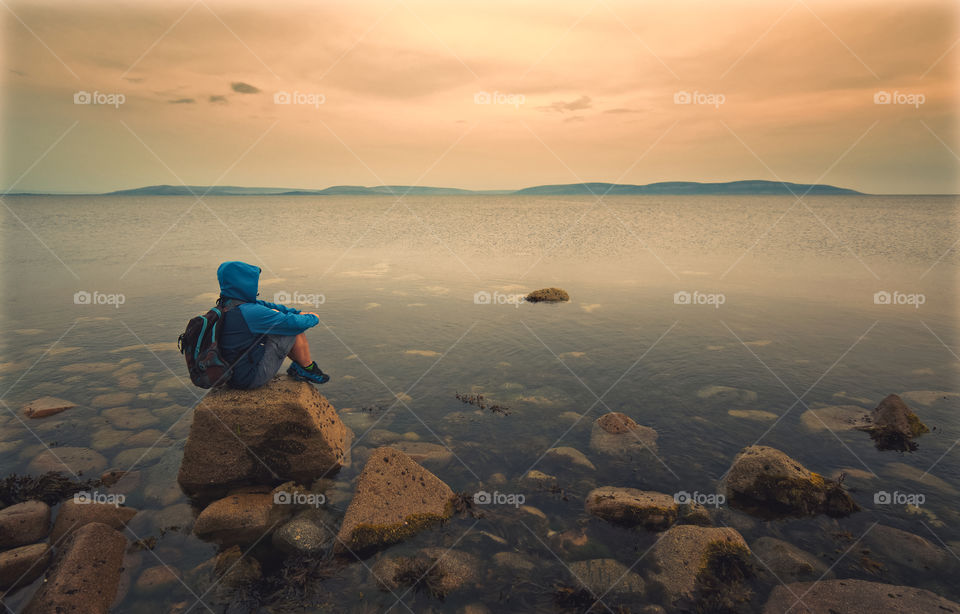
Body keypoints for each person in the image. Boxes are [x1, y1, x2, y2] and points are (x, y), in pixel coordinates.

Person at [215, 260, 329, 388]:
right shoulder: (249, 312)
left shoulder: (227, 305)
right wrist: (313, 317)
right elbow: (295, 324)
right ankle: (307, 369)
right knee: (292, 329)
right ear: (245, 283)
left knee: (279, 320)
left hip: (231, 374)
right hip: (248, 378)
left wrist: (298, 312)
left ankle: (303, 367)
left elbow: (270, 307)